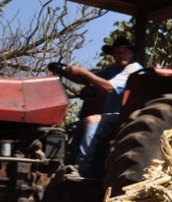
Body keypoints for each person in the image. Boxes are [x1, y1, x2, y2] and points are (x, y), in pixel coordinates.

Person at [49, 36, 142, 178]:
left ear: (131, 53)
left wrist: (83, 72)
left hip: (125, 116)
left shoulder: (133, 69)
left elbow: (109, 88)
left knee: (92, 121)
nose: (120, 55)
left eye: (124, 51)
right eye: (117, 52)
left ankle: (82, 168)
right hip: (110, 116)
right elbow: (86, 79)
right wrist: (63, 72)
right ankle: (63, 163)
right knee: (72, 127)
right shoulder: (112, 70)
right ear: (113, 55)